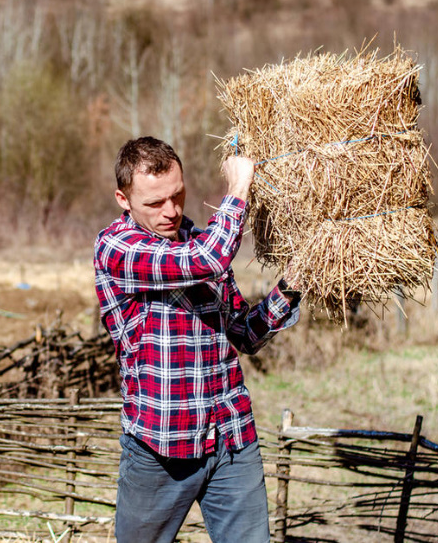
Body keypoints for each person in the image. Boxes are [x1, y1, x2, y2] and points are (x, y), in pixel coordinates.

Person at [93, 136, 300, 543]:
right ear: (123, 199)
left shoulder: (201, 242)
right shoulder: (117, 248)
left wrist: (290, 288)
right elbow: (208, 260)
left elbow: (244, 334)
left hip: (231, 438)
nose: (171, 210)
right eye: (154, 203)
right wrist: (239, 188)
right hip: (160, 448)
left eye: (177, 194)